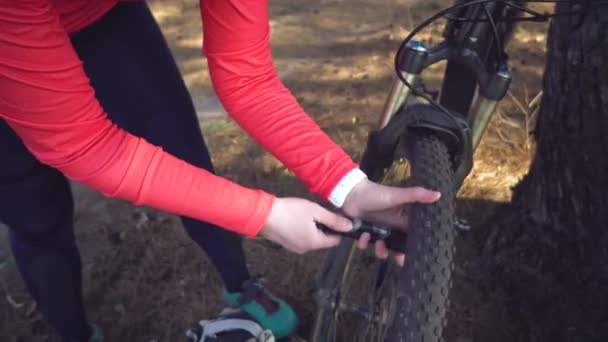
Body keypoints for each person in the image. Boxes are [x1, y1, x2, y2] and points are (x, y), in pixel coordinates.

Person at [0, 1, 441, 341]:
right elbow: (87, 148)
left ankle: (240, 283)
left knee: (179, 147)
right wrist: (262, 214)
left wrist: (348, 188)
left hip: (101, 17)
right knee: (33, 207)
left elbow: (246, 77)